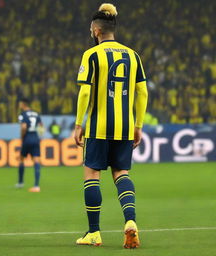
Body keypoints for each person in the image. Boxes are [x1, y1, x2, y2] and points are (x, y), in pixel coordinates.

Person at [74, 3, 148, 249]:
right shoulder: (133, 55)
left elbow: (85, 92)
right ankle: (131, 221)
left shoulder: (92, 54)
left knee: (92, 174)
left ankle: (94, 233)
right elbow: (142, 91)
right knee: (121, 174)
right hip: (125, 126)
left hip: (99, 126)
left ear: (96, 31)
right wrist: (138, 124)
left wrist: (78, 123)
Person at [15, 98, 44, 192]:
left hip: (27, 137)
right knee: (36, 160)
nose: (19, 106)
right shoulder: (36, 114)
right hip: (35, 137)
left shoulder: (23, 114)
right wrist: (39, 136)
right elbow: (41, 126)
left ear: (23, 104)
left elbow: (23, 127)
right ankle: (36, 185)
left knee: (21, 159)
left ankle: (20, 182)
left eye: (20, 104)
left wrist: (22, 137)